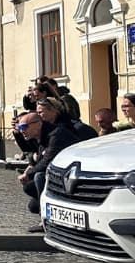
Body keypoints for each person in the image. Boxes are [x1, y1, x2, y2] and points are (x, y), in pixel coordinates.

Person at [21, 97, 95, 232]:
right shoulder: (44, 133)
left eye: (24, 127)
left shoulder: (57, 132)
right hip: (61, 171)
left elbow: (47, 160)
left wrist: (29, 173)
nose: (21, 130)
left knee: (38, 177)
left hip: (74, 173)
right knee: (32, 199)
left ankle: (46, 219)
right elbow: (34, 153)